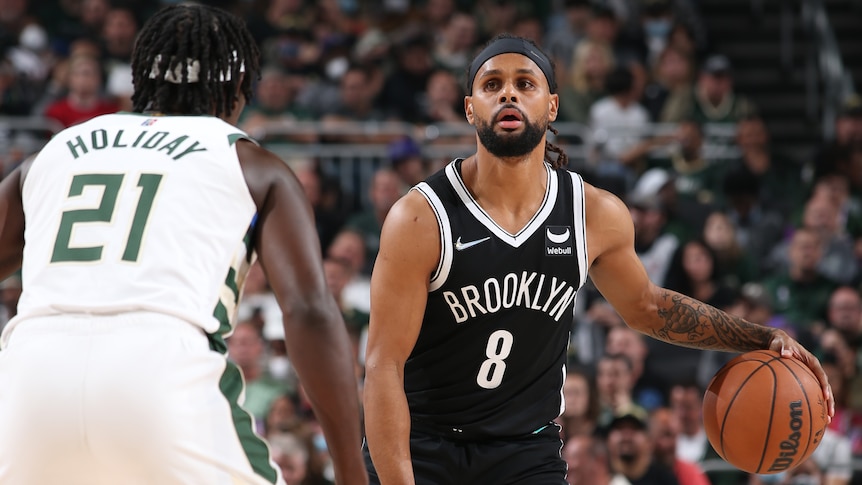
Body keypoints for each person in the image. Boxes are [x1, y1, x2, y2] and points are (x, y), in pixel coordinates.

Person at [362, 34, 833, 484]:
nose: (508, 94)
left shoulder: (593, 213)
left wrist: (760, 337)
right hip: (424, 445)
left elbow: (647, 307)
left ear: (552, 106)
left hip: (524, 452)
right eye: (492, 85)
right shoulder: (421, 218)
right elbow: (383, 367)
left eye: (525, 83)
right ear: (469, 109)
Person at [0, 5, 366, 485]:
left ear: (140, 77)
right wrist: (352, 470)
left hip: (30, 377)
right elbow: (310, 312)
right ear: (238, 88)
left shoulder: (56, 149)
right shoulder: (251, 163)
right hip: (160, 372)